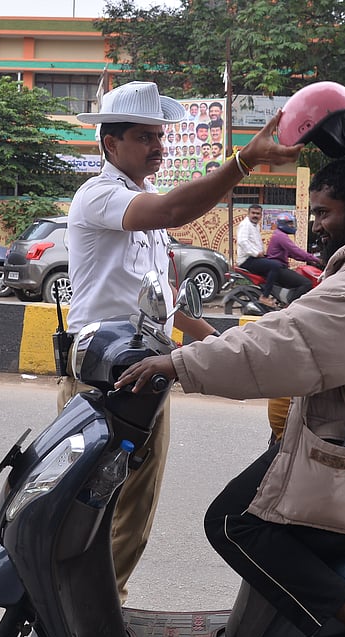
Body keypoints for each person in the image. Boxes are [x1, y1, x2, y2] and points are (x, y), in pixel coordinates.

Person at [117, 155, 345, 637]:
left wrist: (181, 364)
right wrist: (206, 343)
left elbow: (293, 345)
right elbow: (294, 325)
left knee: (233, 524)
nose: (315, 224)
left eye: (324, 212)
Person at [64, 80, 301, 603]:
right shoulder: (102, 195)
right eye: (145, 137)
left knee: (136, 504)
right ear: (110, 144)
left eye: (160, 137)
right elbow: (172, 210)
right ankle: (72, 608)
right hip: (101, 374)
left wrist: (220, 341)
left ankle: (104, 600)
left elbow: (164, 305)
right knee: (86, 502)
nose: (158, 147)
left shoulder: (140, 212)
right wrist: (243, 161)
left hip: (146, 371)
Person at [235, 203, 284, 307]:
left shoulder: (255, 225)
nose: (255, 215)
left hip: (254, 258)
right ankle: (265, 296)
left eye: (258, 214)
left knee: (277, 264)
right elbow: (242, 242)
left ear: (261, 215)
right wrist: (256, 253)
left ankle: (273, 295)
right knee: (275, 266)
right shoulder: (245, 224)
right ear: (248, 213)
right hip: (247, 260)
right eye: (253, 213)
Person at [266, 211, 322, 299]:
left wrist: (309, 259)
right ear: (283, 224)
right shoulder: (281, 236)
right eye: (290, 224)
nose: (292, 226)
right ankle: (291, 304)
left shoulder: (279, 234)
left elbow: (293, 254)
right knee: (306, 283)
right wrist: (315, 259)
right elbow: (296, 251)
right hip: (279, 269)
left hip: (278, 267)